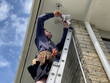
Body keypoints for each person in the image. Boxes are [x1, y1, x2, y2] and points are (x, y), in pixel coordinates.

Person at [28, 10, 72, 83]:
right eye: (47, 31)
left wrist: (65, 27)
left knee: (48, 80)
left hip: (54, 62)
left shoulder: (53, 46)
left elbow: (62, 42)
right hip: (44, 58)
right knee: (42, 79)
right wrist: (53, 14)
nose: (49, 32)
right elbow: (40, 19)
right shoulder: (40, 36)